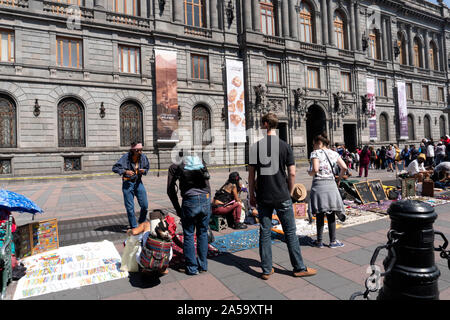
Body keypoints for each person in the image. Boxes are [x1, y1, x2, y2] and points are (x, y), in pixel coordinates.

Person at [248, 112, 316, 280]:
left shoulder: (255, 147)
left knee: (264, 232)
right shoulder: (285, 146)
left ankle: (266, 269)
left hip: (263, 196)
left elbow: (251, 176)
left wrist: (251, 195)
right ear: (276, 125)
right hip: (282, 195)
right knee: (290, 232)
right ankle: (299, 267)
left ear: (265, 124)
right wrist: (291, 192)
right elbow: (292, 173)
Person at [166, 152, 211, 275]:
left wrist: (178, 209)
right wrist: (207, 202)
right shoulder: (200, 161)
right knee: (202, 232)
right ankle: (203, 266)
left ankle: (192, 268)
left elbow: (170, 190)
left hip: (190, 201)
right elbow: (207, 184)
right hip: (205, 198)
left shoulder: (175, 166)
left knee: (189, 234)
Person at [308, 132, 347, 249]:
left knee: (320, 213)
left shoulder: (315, 153)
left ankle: (319, 241)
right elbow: (344, 167)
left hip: (319, 185)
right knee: (331, 212)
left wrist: (310, 173)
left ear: (318, 143)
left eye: (313, 144)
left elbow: (315, 169)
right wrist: (339, 178)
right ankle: (333, 241)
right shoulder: (334, 153)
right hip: (331, 185)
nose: (313, 146)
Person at [112, 142, 150, 229]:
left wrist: (143, 171)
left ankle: (141, 222)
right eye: (138, 150)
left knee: (145, 205)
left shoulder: (143, 157)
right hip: (127, 183)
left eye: (141, 150)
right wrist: (125, 172)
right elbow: (115, 168)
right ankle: (134, 227)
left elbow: (147, 167)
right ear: (133, 150)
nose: (140, 152)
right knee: (130, 208)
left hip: (138, 182)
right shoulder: (126, 157)